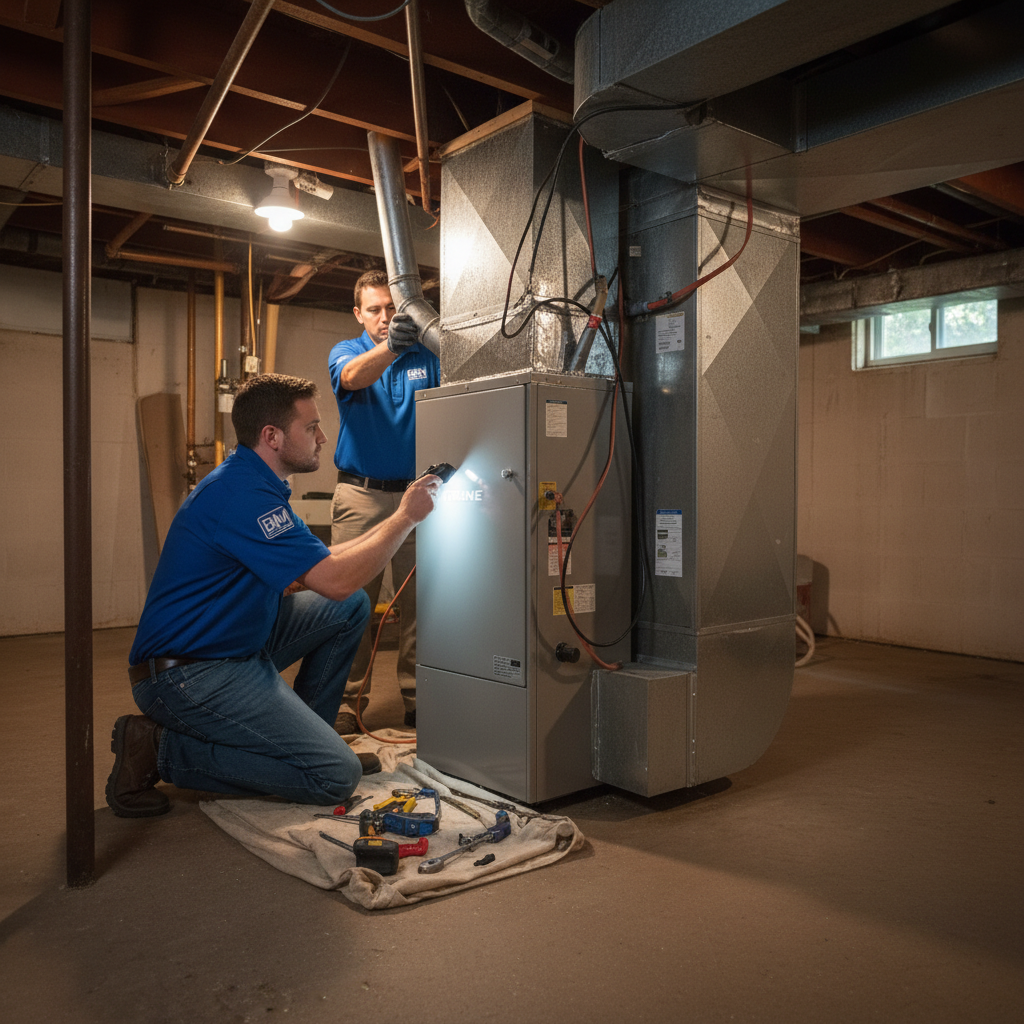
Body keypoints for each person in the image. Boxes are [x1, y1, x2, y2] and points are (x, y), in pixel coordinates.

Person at [106, 373, 439, 818]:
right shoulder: (243, 494)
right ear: (272, 436)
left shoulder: (256, 482)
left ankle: (311, 738)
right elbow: (337, 577)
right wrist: (405, 518)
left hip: (232, 642)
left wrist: (397, 518)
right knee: (335, 778)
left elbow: (324, 563)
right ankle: (158, 749)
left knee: (349, 606)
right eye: (312, 427)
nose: (323, 437)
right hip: (188, 674)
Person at [328, 269, 440, 732]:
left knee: (425, 605)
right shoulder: (348, 352)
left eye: (393, 308)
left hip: (420, 496)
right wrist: (390, 346)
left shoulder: (429, 355)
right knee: (350, 603)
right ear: (359, 314)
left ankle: (420, 698)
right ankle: (346, 704)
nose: (385, 316)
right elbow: (352, 378)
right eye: (374, 309)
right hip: (362, 495)